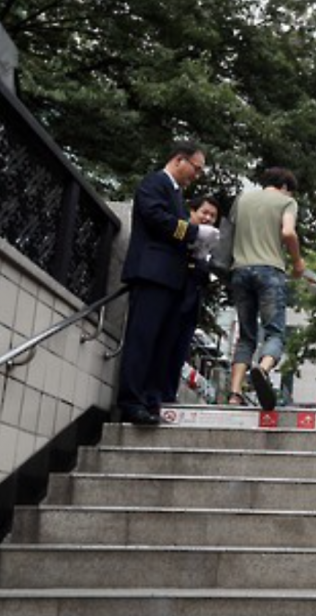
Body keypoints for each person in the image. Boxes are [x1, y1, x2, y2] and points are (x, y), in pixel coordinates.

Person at [118, 141, 218, 425]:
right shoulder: (156, 182)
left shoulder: (175, 193)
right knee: (143, 340)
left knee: (162, 344)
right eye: (195, 169)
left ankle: (151, 399)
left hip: (171, 279)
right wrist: (195, 232)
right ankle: (131, 401)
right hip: (151, 274)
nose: (196, 176)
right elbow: (155, 217)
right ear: (179, 160)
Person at [227, 167, 305, 410]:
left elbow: (229, 234)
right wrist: (298, 261)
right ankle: (262, 369)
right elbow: (288, 232)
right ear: (285, 187)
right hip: (270, 271)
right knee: (274, 332)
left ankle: (234, 394)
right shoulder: (286, 202)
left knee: (246, 336)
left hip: (239, 271)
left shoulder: (242, 199)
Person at [163, 196, 220, 404]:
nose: (208, 218)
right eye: (204, 212)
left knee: (179, 354)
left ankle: (168, 396)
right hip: (172, 302)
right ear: (192, 212)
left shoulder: (209, 243)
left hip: (191, 307)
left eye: (212, 216)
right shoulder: (181, 234)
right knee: (164, 349)